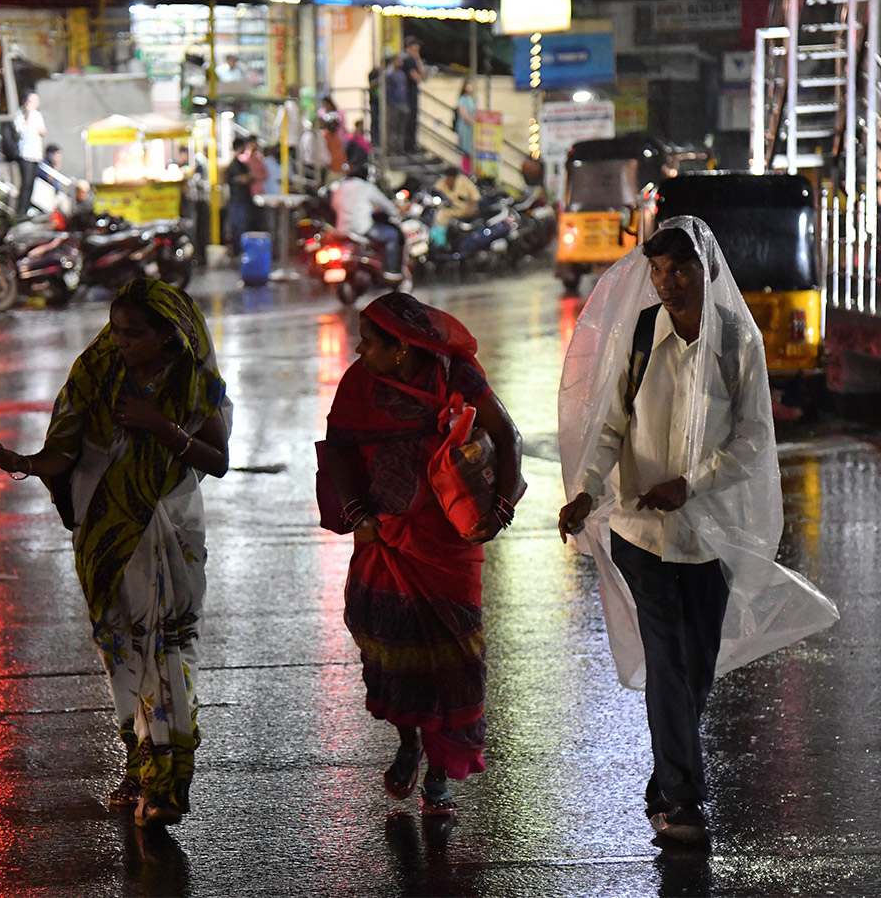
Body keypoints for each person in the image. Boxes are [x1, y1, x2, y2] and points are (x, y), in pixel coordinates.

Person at [556, 217, 839, 844]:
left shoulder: (738, 342)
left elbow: (752, 440)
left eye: (680, 269)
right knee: (667, 659)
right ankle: (684, 800)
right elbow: (608, 427)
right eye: (658, 272)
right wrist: (586, 490)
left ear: (705, 270)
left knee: (696, 666)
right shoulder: (639, 337)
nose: (668, 283)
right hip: (640, 531)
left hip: (710, 535)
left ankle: (667, 774)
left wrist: (690, 484)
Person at [0, 278, 232, 829]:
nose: (121, 342)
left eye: (134, 334)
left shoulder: (193, 380)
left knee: (168, 648)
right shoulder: (95, 373)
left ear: (168, 335)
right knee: (123, 653)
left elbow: (218, 460)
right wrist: (20, 461)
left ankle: (169, 781)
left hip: (171, 529)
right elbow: (62, 455)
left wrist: (162, 429)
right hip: (103, 534)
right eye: (115, 330)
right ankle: (141, 757)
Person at [322, 291, 523, 816]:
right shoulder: (360, 384)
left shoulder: (456, 378)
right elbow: (339, 447)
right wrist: (355, 513)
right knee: (389, 644)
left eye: (370, 343)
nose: (359, 351)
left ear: (404, 349)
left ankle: (439, 771)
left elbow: (509, 437)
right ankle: (409, 741)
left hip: (450, 545)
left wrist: (499, 510)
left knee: (455, 656)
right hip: (385, 539)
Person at [331, 165, 404, 281]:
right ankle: (391, 270)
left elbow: (334, 205)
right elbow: (385, 204)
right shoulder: (366, 187)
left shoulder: (340, 187)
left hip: (342, 228)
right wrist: (395, 213)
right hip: (362, 228)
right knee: (392, 235)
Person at [14, 91, 47, 217]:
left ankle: (28, 207)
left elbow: (42, 130)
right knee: (26, 182)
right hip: (25, 153)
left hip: (35, 153)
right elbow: (22, 130)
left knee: (33, 182)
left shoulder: (38, 115)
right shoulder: (22, 114)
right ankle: (21, 209)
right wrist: (29, 115)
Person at [224, 136, 254, 257]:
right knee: (238, 227)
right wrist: (249, 177)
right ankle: (238, 251)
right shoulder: (235, 164)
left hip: (240, 200)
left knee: (241, 226)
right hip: (237, 200)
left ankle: (239, 251)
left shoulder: (239, 163)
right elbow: (244, 178)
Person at [399, 37, 426, 152]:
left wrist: (418, 61)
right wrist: (418, 63)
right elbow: (417, 77)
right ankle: (409, 146)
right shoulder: (408, 60)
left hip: (411, 94)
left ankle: (412, 144)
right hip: (408, 95)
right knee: (410, 121)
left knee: (413, 120)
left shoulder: (412, 60)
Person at [384, 54, 410, 155]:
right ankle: (391, 149)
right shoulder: (388, 73)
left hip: (402, 103)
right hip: (393, 104)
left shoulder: (401, 74)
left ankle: (400, 148)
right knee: (392, 128)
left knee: (401, 129)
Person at [455, 77, 477, 175]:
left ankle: (471, 171)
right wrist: (472, 122)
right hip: (465, 128)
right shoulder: (462, 99)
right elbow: (464, 116)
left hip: (473, 129)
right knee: (465, 150)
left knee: (472, 150)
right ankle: (465, 171)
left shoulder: (473, 99)